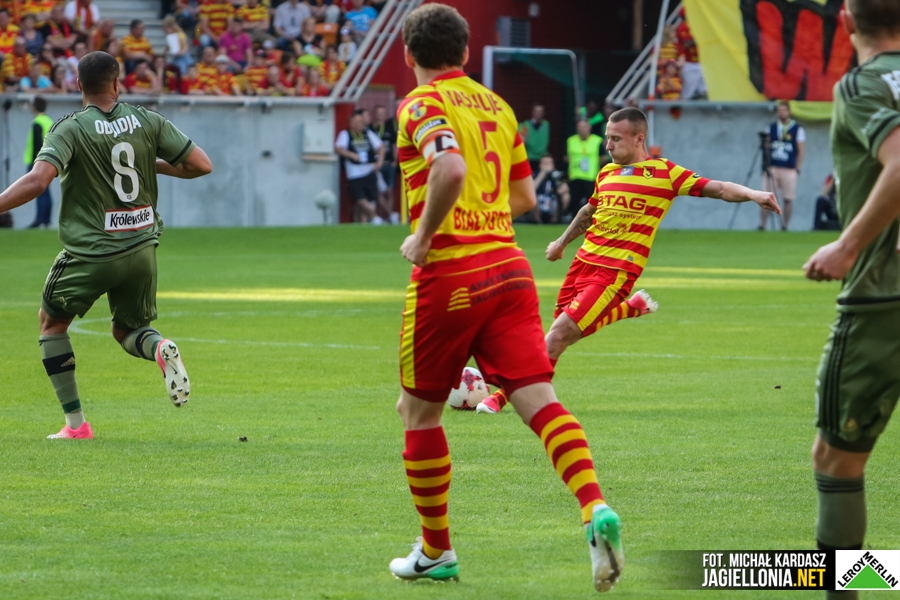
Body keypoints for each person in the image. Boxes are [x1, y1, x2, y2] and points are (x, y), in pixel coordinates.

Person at [387, 4, 624, 591]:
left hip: (451, 272)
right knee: (539, 400)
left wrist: (424, 235)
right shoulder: (498, 105)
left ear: (408, 54)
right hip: (510, 269)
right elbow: (523, 197)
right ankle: (594, 506)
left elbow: (447, 168)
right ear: (467, 52)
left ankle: (436, 551)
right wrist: (481, 205)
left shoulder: (419, 104)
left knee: (417, 412)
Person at [476, 108, 781, 418]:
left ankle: (503, 397)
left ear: (638, 139)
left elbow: (720, 188)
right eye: (607, 138)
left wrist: (753, 194)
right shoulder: (606, 173)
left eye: (615, 139)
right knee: (565, 334)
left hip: (615, 272)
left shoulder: (665, 173)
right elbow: (588, 212)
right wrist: (561, 243)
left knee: (558, 334)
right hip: (582, 264)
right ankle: (629, 309)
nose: (608, 145)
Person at [0, 51, 212, 439]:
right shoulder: (148, 120)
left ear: (78, 85)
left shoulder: (70, 128)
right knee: (129, 329)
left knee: (52, 324)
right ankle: (159, 347)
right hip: (142, 248)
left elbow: (36, 181)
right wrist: (152, 162)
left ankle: (76, 425)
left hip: (93, 251)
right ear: (117, 83)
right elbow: (201, 165)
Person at [802, 5, 900, 598]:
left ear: (845, 22)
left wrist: (846, 245)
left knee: (836, 460)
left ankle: (845, 591)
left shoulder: (862, 85)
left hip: (882, 301)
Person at [760, 100, 805, 230]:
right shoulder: (772, 127)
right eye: (779, 110)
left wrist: (797, 168)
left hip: (789, 168)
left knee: (788, 198)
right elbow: (766, 147)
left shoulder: (797, 129)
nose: (781, 113)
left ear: (789, 111)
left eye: (784, 110)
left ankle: (785, 225)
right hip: (773, 167)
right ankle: (762, 225)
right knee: (765, 197)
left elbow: (801, 150)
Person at [334, 110, 383, 223]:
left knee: (372, 198)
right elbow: (338, 148)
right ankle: (375, 217)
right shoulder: (345, 134)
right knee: (359, 198)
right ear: (351, 123)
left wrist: (379, 162)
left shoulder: (368, 133)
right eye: (357, 121)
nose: (361, 123)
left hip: (369, 169)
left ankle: (366, 223)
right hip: (354, 172)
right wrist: (351, 154)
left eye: (361, 121)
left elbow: (381, 147)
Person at [23, 96, 53, 228]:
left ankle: (39, 219)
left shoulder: (37, 122)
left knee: (39, 191)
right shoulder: (49, 121)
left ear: (34, 107)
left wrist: (36, 164)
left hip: (37, 162)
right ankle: (46, 219)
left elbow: (37, 144)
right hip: (49, 161)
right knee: (46, 191)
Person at [565, 118, 603, 218]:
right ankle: (573, 220)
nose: (582, 129)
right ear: (577, 128)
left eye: (584, 126)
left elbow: (603, 157)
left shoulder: (597, 140)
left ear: (589, 127)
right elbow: (566, 157)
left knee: (592, 202)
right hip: (575, 176)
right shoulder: (571, 140)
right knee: (573, 201)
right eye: (580, 126)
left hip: (590, 177)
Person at [370, 104, 397, 222]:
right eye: (378, 113)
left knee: (390, 191)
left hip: (389, 163)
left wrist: (395, 160)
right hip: (376, 164)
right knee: (378, 192)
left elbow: (394, 145)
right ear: (375, 114)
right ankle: (386, 215)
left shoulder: (389, 127)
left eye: (382, 113)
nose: (380, 115)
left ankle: (389, 217)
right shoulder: (370, 128)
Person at [676, 7, 707, 100]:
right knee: (688, 92)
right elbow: (686, 43)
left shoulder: (697, 24)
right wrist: (702, 38)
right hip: (690, 63)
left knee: (705, 91)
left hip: (702, 62)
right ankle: (684, 108)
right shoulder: (683, 26)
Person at [532, 154, 569, 224]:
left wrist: (560, 187)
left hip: (552, 203)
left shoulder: (556, 175)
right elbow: (531, 189)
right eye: (545, 163)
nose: (547, 166)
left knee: (566, 196)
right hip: (539, 203)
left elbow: (565, 188)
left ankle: (555, 220)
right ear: (540, 165)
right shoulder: (535, 174)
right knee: (532, 197)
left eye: (549, 163)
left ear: (553, 165)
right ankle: (538, 221)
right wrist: (543, 173)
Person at [518, 103, 549, 173]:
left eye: (541, 112)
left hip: (542, 159)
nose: (539, 114)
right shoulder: (525, 126)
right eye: (537, 112)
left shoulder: (546, 125)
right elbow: (522, 142)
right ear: (532, 112)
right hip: (530, 159)